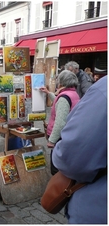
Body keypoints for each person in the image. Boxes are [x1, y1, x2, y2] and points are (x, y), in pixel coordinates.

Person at [52, 76, 107, 224]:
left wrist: (53, 144)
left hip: (97, 209)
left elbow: (72, 157)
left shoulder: (103, 90)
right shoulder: (74, 94)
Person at [40, 70, 80, 175]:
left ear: (61, 83)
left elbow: (60, 122)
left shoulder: (64, 97)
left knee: (57, 168)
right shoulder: (73, 94)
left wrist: (52, 140)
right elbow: (60, 103)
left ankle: (59, 189)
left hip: (60, 138)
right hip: (69, 135)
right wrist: (49, 93)